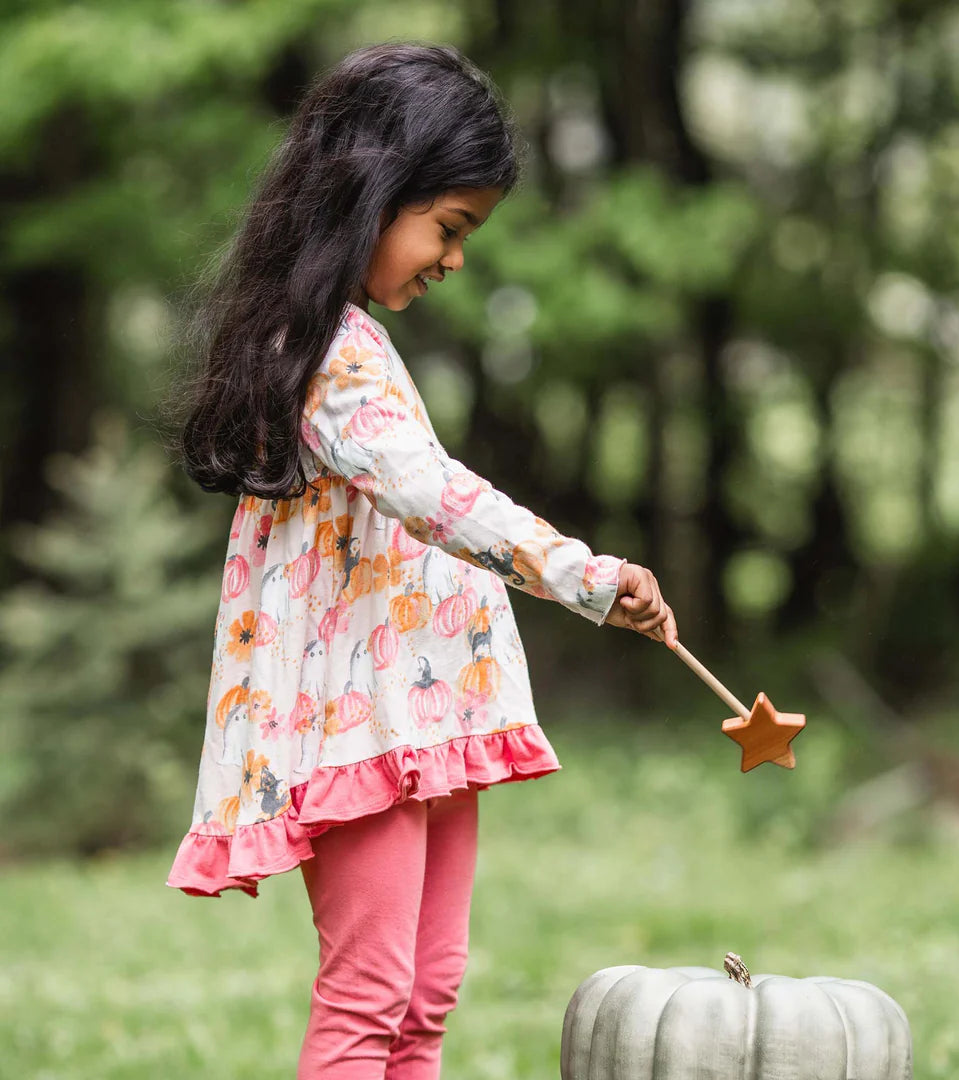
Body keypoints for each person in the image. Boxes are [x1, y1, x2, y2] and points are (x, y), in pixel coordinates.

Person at [166, 42, 678, 1080]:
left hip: (425, 711)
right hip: (362, 729)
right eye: (448, 228)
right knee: (369, 998)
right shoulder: (319, 354)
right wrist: (582, 574)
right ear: (369, 193)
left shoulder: (355, 340)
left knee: (425, 996)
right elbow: (430, 496)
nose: (455, 260)